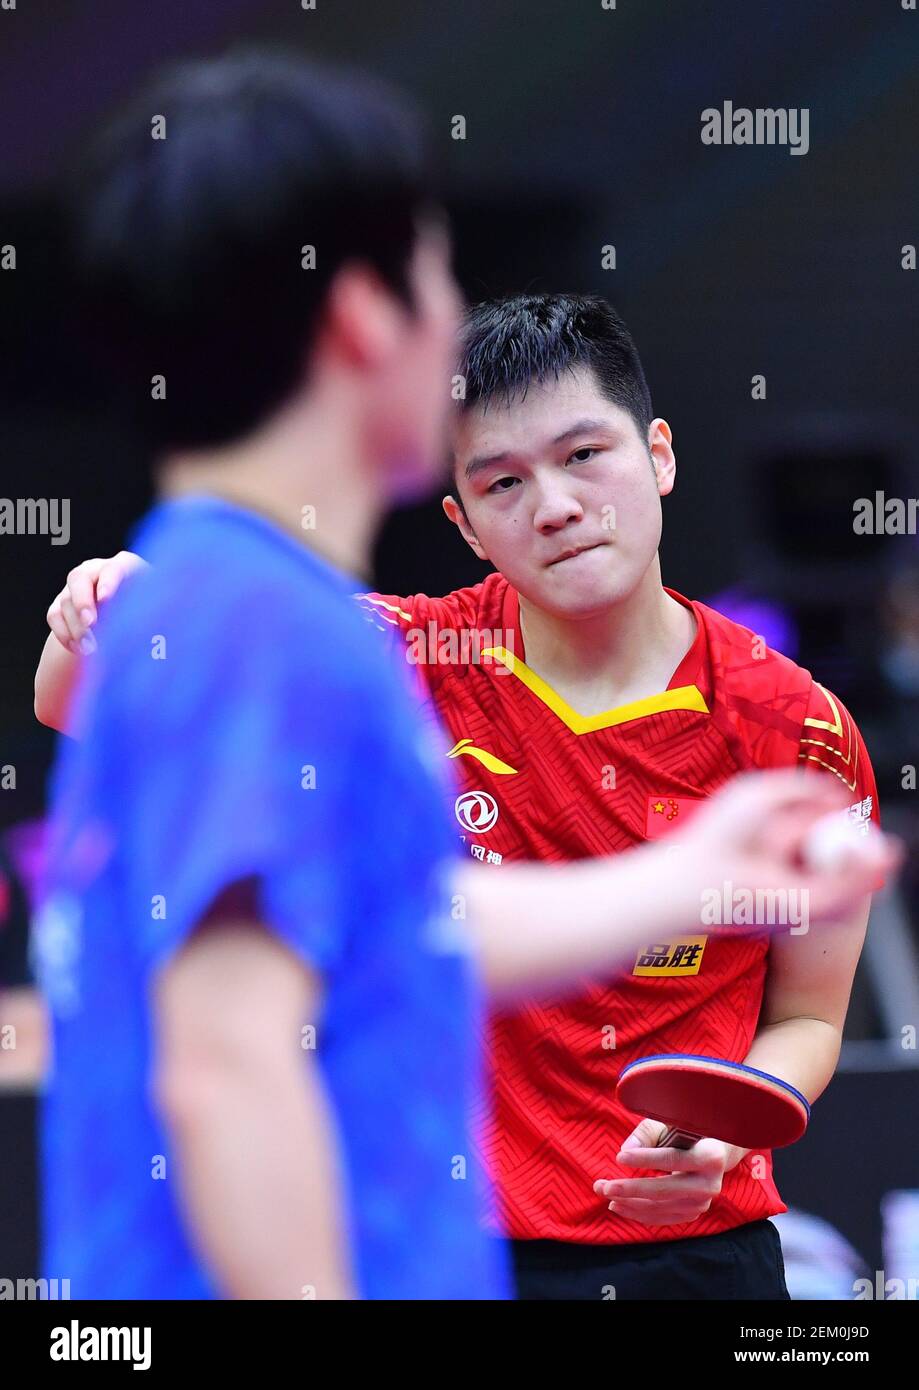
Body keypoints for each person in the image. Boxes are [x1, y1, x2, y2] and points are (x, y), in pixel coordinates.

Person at [34, 70, 893, 1301]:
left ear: (655, 457)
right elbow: (227, 1062)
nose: (551, 502)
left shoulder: (236, 601)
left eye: (582, 455)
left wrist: (684, 876)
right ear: (363, 319)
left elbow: (409, 919)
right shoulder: (279, 625)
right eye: (435, 276)